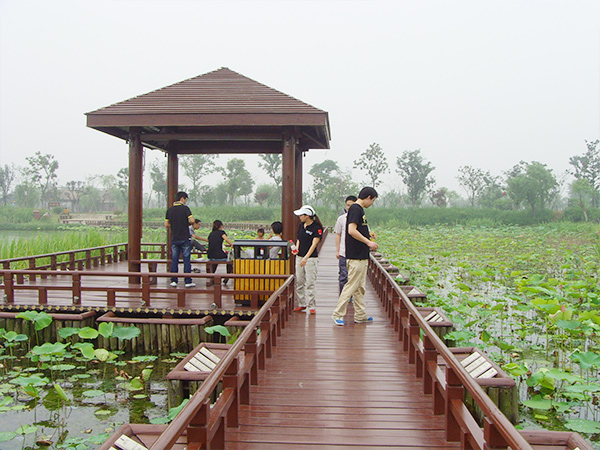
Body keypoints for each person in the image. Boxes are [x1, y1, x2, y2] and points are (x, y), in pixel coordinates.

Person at [332, 187, 379, 325]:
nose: (372, 204)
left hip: (361, 254)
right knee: (351, 285)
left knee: (359, 287)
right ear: (368, 197)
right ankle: (337, 313)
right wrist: (368, 242)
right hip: (356, 255)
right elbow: (351, 230)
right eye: (373, 201)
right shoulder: (356, 209)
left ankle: (360, 315)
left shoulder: (358, 210)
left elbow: (358, 229)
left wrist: (368, 235)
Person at [293, 205, 323, 315]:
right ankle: (301, 303)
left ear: (308, 216)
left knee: (310, 282)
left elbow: (314, 244)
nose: (300, 217)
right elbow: (299, 239)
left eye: (301, 215)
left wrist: (306, 257)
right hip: (299, 257)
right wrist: (296, 249)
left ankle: (311, 305)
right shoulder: (302, 225)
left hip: (311, 259)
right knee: (300, 281)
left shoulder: (316, 228)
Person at [165, 191, 196, 288]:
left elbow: (166, 224)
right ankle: (187, 281)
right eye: (185, 199)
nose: (186, 201)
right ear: (182, 198)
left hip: (175, 238)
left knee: (175, 259)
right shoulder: (185, 209)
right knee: (186, 259)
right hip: (185, 238)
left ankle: (174, 280)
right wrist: (185, 224)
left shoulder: (169, 210)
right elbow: (192, 220)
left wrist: (175, 225)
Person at [334, 195, 357, 294]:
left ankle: (350, 296)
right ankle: (343, 296)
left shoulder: (359, 217)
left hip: (355, 253)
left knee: (353, 277)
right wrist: (338, 250)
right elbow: (338, 234)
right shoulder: (341, 219)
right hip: (344, 252)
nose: (349, 208)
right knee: (343, 275)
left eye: (351, 206)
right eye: (348, 205)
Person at [207, 220, 234, 286]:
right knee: (229, 260)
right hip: (219, 255)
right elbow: (226, 240)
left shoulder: (211, 234)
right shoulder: (221, 232)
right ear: (221, 226)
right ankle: (227, 276)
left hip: (210, 255)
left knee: (214, 260)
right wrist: (233, 245)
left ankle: (212, 277)